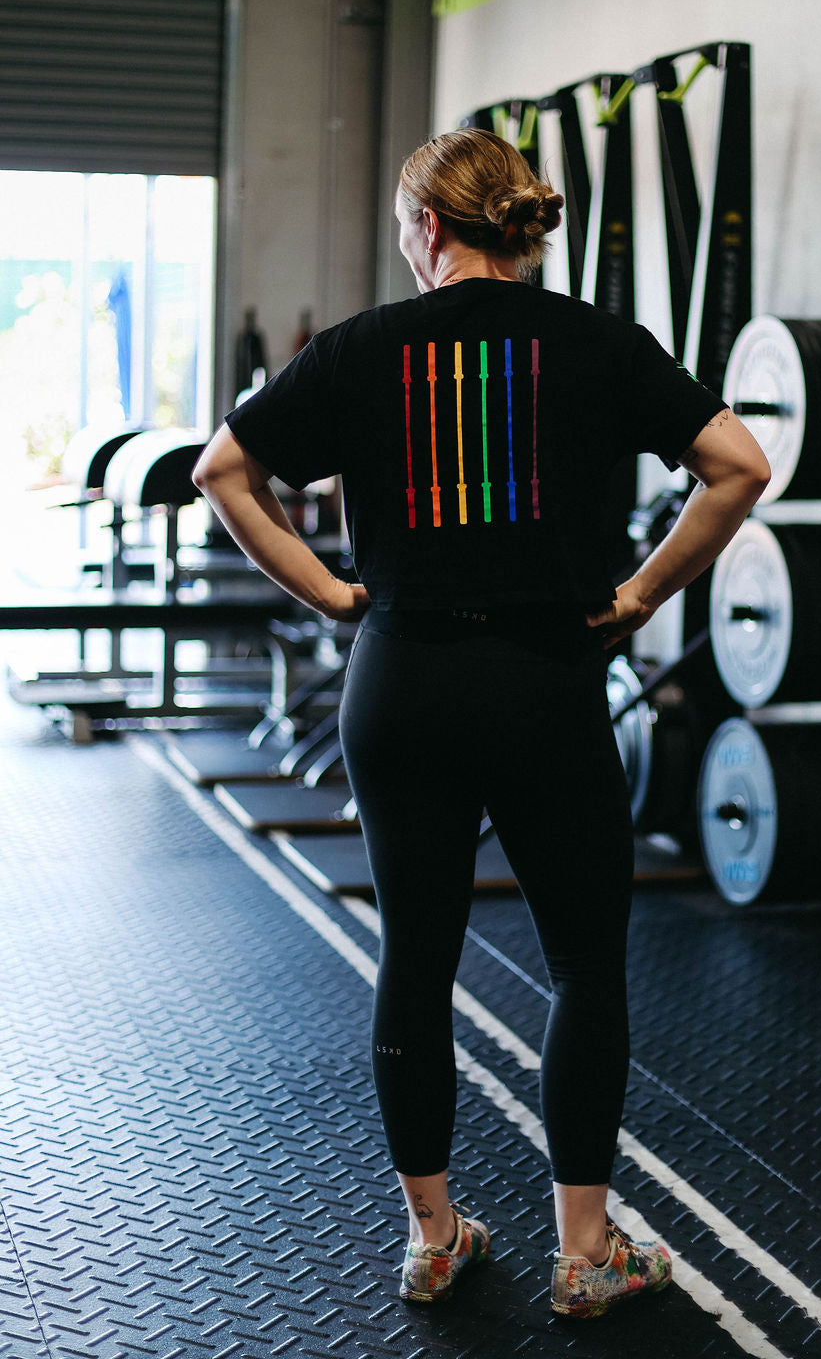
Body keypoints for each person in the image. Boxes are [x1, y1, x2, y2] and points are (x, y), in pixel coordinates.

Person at [193, 128, 770, 1319]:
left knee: (416, 960)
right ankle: (583, 1254)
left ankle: (434, 1237)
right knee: (581, 964)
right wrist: (639, 597)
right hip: (546, 678)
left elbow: (222, 473)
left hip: (400, 680)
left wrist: (337, 592)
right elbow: (739, 466)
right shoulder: (595, 342)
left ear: (427, 229)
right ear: (513, 228)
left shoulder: (360, 348)